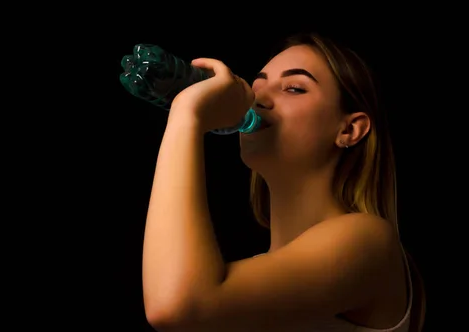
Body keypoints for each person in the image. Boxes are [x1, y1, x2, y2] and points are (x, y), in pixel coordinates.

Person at [141, 32, 425, 332]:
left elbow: (176, 305)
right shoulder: (246, 277)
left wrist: (187, 114)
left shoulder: (369, 243)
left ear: (350, 130)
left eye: (293, 88)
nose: (257, 99)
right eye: (256, 85)